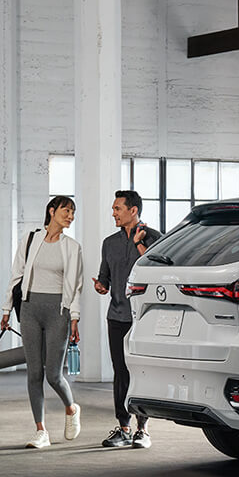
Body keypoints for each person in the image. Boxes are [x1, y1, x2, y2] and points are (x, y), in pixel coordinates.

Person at [1, 196, 83, 449]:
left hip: (58, 311)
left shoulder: (72, 246)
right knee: (34, 373)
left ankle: (71, 409)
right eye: (66, 211)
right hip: (29, 309)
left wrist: (74, 318)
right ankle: (41, 431)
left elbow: (75, 287)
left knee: (53, 375)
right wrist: (6, 310)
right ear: (52, 211)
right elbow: (16, 276)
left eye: (72, 212)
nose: (70, 216)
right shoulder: (30, 239)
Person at [93, 190, 162, 449]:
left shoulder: (155, 237)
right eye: (113, 208)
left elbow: (160, 269)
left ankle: (142, 430)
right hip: (117, 316)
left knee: (141, 372)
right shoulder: (109, 243)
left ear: (133, 210)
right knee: (121, 372)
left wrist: (140, 244)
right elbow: (105, 278)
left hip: (145, 317)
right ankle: (123, 427)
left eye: (117, 208)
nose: (113, 213)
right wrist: (101, 286)